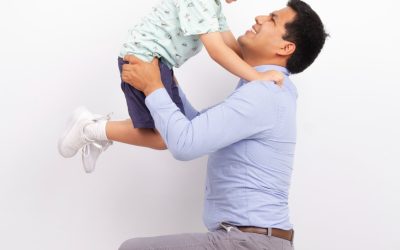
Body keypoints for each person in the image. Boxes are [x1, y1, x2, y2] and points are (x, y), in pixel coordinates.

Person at [59, 0, 327, 248]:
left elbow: (185, 144)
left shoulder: (264, 92)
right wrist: (168, 85)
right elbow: (197, 126)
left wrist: (153, 87)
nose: (258, 17)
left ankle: (93, 128)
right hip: (248, 238)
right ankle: (94, 129)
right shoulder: (263, 88)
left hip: (250, 242)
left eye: (272, 19)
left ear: (285, 48)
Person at [58, 0, 285, 172]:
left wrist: (266, 69)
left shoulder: (213, 7)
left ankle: (97, 130)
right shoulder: (201, 2)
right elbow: (217, 51)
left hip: (158, 61)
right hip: (144, 58)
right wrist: (257, 77)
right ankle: (90, 128)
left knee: (167, 127)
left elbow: (230, 45)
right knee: (165, 137)